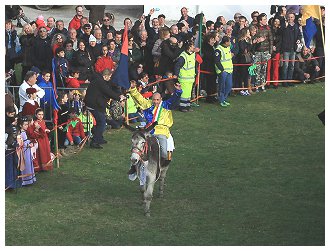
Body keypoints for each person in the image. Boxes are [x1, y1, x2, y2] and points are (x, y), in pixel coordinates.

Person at [127, 80, 182, 174]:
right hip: (148, 130)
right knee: (137, 145)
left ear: (161, 99)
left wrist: (178, 91)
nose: (155, 102)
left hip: (162, 132)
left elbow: (175, 99)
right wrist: (133, 88)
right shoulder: (148, 104)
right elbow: (139, 98)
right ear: (152, 99)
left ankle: (161, 167)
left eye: (157, 100)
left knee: (164, 152)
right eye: (154, 100)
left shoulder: (166, 105)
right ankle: (134, 166)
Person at [84, 69, 125, 149]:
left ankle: (99, 138)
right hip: (94, 105)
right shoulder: (100, 82)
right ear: (105, 76)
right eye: (109, 77)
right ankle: (95, 141)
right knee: (102, 123)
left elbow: (108, 91)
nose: (110, 78)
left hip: (95, 104)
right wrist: (119, 97)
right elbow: (108, 91)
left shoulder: (98, 81)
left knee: (101, 121)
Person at [174, 41, 198, 112]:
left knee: (188, 94)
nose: (194, 47)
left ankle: (187, 106)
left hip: (190, 78)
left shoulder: (193, 54)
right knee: (184, 94)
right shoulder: (183, 56)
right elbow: (177, 66)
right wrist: (176, 74)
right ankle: (182, 107)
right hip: (184, 79)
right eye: (193, 46)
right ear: (189, 47)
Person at [281, 12, 302, 87]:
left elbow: (299, 35)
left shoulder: (296, 26)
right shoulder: (284, 25)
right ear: (287, 17)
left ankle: (289, 80)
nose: (290, 18)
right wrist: (285, 26)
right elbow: (281, 33)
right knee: (285, 65)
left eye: (292, 17)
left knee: (292, 65)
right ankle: (284, 81)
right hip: (286, 49)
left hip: (293, 49)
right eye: (289, 17)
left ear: (294, 18)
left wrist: (299, 40)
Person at [17, 116, 37, 186]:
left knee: (29, 163)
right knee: (26, 164)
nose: (27, 126)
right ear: (20, 125)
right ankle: (26, 180)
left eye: (27, 124)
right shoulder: (21, 133)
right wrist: (29, 144)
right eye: (25, 125)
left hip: (27, 151)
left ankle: (30, 179)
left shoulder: (23, 132)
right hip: (25, 152)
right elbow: (22, 143)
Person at [214, 36, 233, 107]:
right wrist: (222, 70)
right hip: (223, 71)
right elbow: (217, 61)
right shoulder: (218, 49)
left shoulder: (228, 48)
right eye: (229, 41)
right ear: (226, 42)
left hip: (229, 70)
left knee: (229, 85)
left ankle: (224, 98)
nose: (230, 43)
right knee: (222, 86)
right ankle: (221, 100)